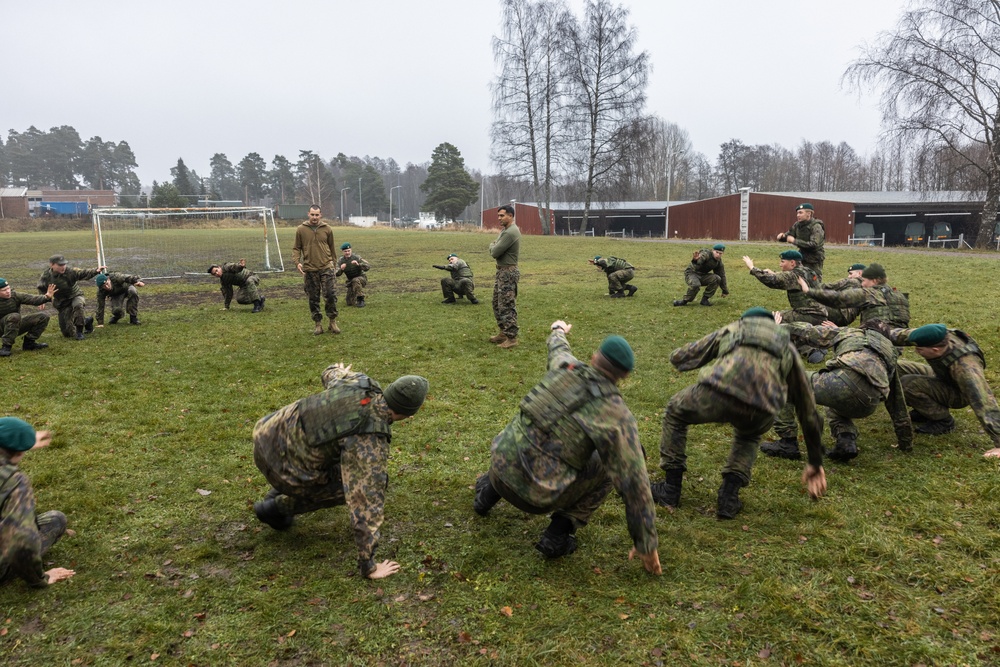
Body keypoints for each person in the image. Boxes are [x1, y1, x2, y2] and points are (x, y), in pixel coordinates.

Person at [472, 321, 661, 574]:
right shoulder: (616, 415)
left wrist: (558, 329)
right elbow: (635, 485)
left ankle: (486, 496)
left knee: (526, 431)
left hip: (499, 467)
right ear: (624, 376)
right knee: (608, 468)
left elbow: (557, 346)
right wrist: (646, 544)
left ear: (594, 356)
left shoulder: (564, 366)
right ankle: (558, 533)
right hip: (535, 498)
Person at [252, 363, 429, 579]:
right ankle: (274, 509)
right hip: (284, 464)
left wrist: (336, 368)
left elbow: (330, 373)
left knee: (335, 455)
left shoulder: (360, 382)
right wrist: (369, 565)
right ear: (409, 414)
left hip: (267, 436)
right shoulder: (370, 438)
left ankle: (283, 486)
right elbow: (365, 500)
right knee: (347, 488)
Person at [650, 307, 827, 519]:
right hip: (763, 407)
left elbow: (680, 358)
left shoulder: (732, 330)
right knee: (749, 436)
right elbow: (808, 409)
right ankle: (728, 498)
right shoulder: (787, 348)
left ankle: (670, 489)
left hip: (718, 393)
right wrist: (815, 462)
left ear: (743, 320)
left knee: (675, 411)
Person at [760, 317, 913, 462]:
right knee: (836, 404)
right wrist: (906, 442)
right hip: (869, 402)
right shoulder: (890, 355)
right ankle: (846, 440)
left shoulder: (852, 332)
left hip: (844, 382)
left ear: (864, 328)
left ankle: (787, 442)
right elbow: (897, 403)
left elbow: (808, 331)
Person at [886, 323, 1000, 459]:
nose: (916, 351)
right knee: (897, 367)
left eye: (920, 349)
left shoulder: (966, 369)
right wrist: (880, 331)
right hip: (942, 376)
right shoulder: (938, 336)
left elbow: (984, 402)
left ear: (935, 350)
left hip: (959, 392)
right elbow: (906, 335)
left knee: (908, 384)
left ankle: (943, 421)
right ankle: (924, 411)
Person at [0, 417, 75, 588]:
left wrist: (24, 439)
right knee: (56, 520)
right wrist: (41, 578)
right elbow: (20, 543)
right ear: (18, 452)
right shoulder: (14, 482)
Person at [796, 262, 910, 329]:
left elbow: (838, 298)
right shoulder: (899, 296)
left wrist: (808, 291)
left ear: (874, 280)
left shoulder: (868, 293)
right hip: (895, 343)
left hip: (874, 343)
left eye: (864, 280)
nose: (863, 284)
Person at [292, 205, 339, 335]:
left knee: (330, 295)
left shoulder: (327, 229)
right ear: (308, 214)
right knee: (313, 297)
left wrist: (333, 264)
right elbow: (296, 248)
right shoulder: (301, 229)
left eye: (317, 215)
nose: (314, 217)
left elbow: (332, 247)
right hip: (310, 268)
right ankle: (318, 324)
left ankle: (332, 321)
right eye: (312, 214)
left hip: (326, 267)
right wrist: (297, 262)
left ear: (321, 215)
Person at [36, 254, 104, 340]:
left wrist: (96, 270)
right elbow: (41, 288)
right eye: (60, 265)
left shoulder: (70, 272)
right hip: (62, 302)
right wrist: (42, 299)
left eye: (64, 264)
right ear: (52, 265)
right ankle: (87, 321)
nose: (63, 267)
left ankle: (79, 332)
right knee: (67, 333)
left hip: (75, 295)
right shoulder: (46, 276)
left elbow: (83, 273)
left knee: (78, 305)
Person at [489, 204, 521, 349]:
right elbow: (496, 247)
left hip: (508, 273)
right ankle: (503, 332)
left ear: (510, 215)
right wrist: (494, 245)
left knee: (506, 305)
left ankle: (512, 338)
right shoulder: (505, 230)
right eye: (498, 216)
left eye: (502, 215)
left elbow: (495, 251)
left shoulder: (510, 232)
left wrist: (492, 245)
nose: (499, 218)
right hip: (502, 271)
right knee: (497, 303)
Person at [0, 278, 56, 357]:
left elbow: (32, 299)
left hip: (13, 326)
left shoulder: (15, 296)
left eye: (8, 288)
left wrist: (46, 297)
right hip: (1, 328)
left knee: (43, 317)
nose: (8, 291)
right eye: (4, 290)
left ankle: (29, 343)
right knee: (14, 316)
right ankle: (6, 347)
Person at [777, 202, 825, 279]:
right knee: (799, 278)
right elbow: (789, 235)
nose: (798, 215)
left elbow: (814, 244)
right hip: (801, 257)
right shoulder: (797, 225)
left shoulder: (816, 226)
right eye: (797, 213)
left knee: (813, 281)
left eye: (800, 213)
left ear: (808, 213)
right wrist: (782, 237)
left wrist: (794, 241)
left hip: (814, 260)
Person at [336, 243, 371, 307]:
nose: (347, 253)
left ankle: (361, 299)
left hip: (361, 278)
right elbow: (336, 274)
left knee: (356, 280)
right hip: (351, 281)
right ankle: (354, 296)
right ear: (342, 252)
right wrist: (341, 269)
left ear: (351, 250)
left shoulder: (357, 257)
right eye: (345, 251)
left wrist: (358, 264)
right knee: (349, 303)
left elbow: (368, 266)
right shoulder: (341, 261)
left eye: (348, 251)